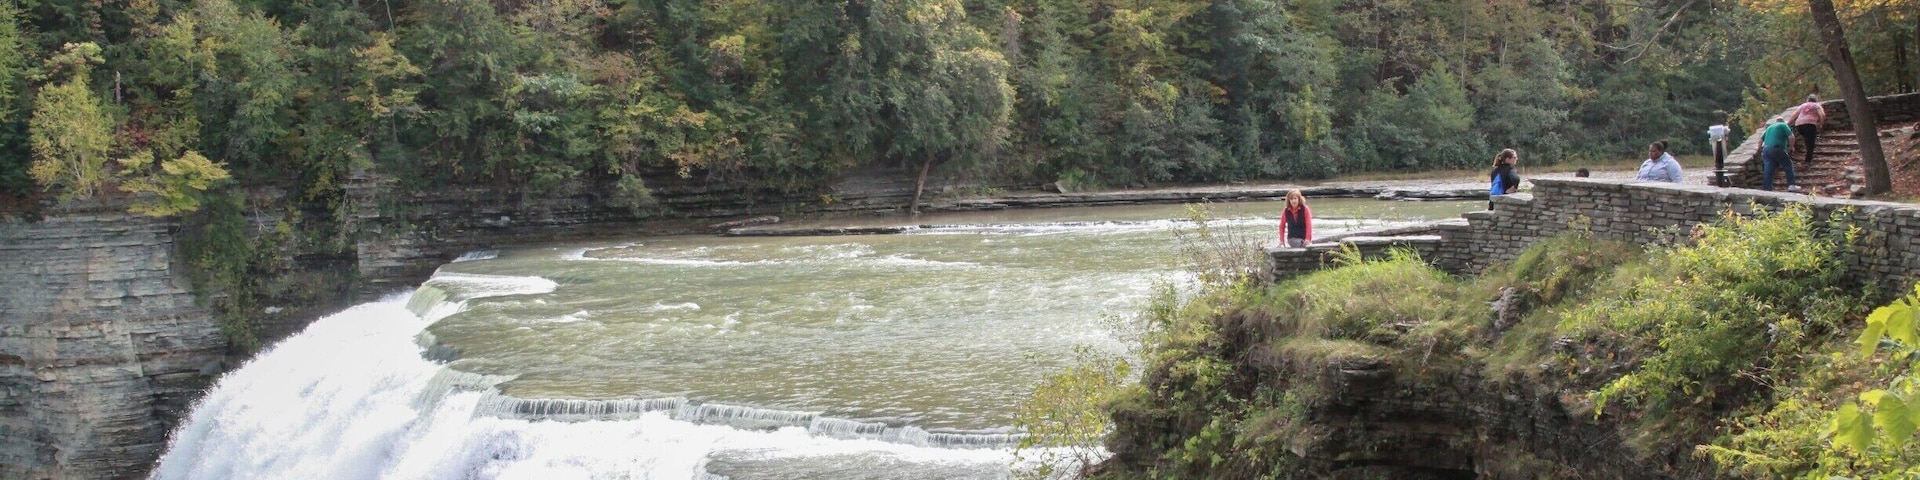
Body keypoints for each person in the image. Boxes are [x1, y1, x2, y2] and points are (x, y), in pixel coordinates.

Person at [1759, 115, 1798, 191]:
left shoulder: (1769, 127)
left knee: (1768, 168)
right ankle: (1791, 185)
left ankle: (1767, 188)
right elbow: (1791, 137)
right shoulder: (1783, 125)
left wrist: (1758, 150)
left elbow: (1760, 140)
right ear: (1782, 121)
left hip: (1766, 150)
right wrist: (1791, 147)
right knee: (1788, 165)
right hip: (1777, 148)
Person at [1787, 94, 1826, 167]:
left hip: (1799, 125)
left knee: (1808, 139)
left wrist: (1788, 124)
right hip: (1810, 124)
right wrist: (1821, 124)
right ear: (1816, 100)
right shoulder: (1817, 105)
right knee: (1811, 142)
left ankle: (1808, 153)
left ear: (1807, 100)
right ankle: (1808, 161)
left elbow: (1794, 115)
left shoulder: (1803, 105)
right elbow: (1822, 115)